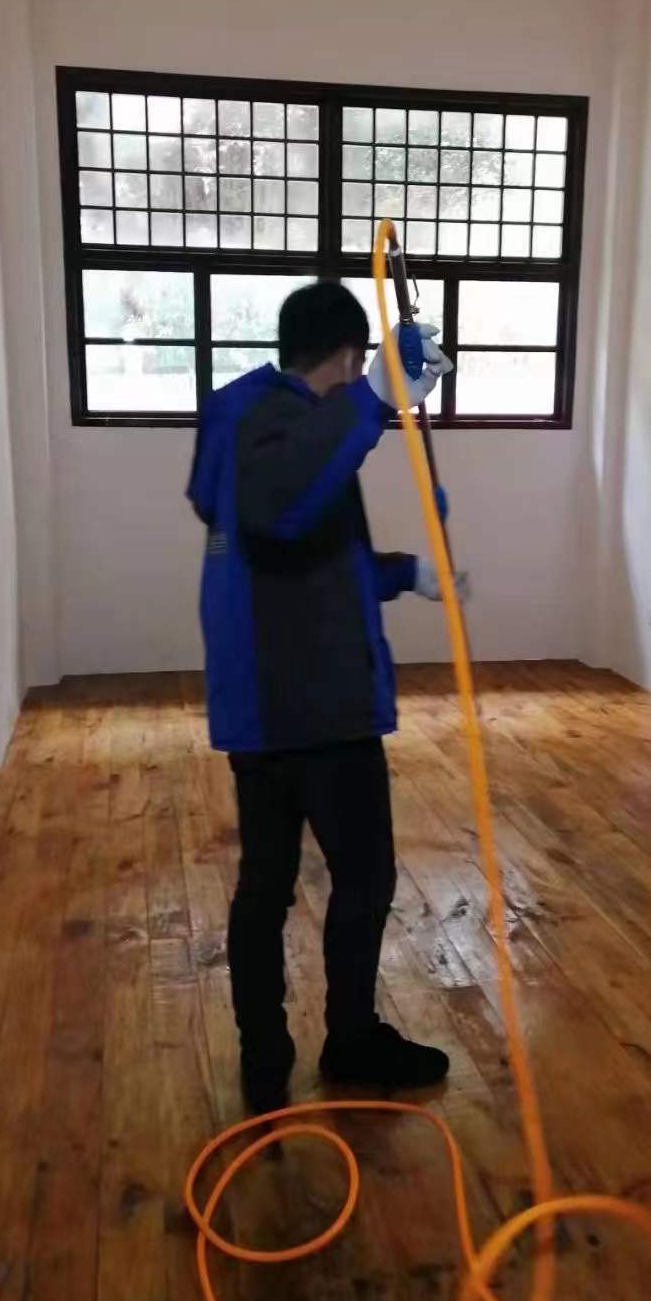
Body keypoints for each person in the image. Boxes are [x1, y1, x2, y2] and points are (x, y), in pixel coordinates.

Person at [186, 280, 465, 1114]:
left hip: (274, 706)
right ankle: (341, 1042)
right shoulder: (265, 421)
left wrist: (408, 574)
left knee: (269, 884)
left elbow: (311, 558)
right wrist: (377, 398)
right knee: (359, 878)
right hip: (312, 709)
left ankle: (269, 1058)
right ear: (347, 356)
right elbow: (281, 507)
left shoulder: (266, 427)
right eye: (360, 367)